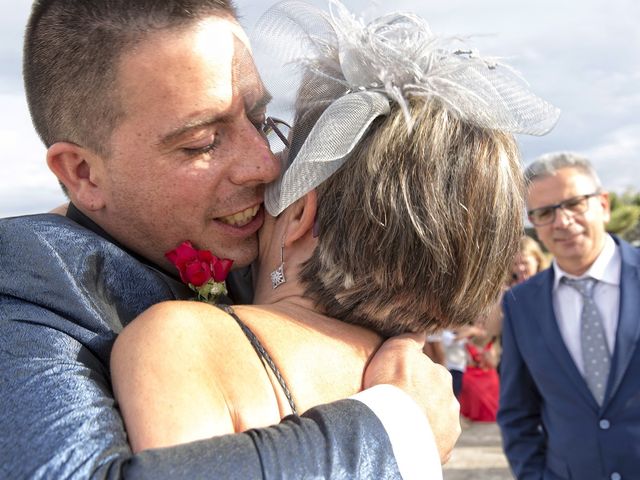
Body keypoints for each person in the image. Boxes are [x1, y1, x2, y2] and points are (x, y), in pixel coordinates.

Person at [0, 1, 464, 478]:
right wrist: (393, 431)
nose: (264, 164)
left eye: (260, 121)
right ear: (83, 174)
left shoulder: (267, 255)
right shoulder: (27, 277)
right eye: (202, 142)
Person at [107, 0, 560, 459]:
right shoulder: (420, 391)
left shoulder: (187, 342)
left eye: (276, 145)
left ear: (302, 213)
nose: (262, 168)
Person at [497, 152, 640, 479]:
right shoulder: (522, 304)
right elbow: (518, 412)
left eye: (574, 203)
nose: (562, 222)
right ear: (533, 223)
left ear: (603, 205)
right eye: (545, 213)